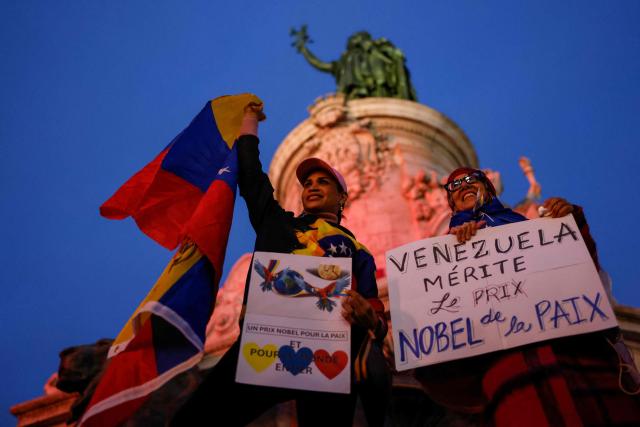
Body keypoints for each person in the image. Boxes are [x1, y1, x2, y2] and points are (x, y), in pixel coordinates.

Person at [171, 104, 389, 426]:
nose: (312, 186)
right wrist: (249, 122)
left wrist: (368, 314)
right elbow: (251, 177)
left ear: (342, 197)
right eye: (308, 183)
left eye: (323, 182)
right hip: (265, 342)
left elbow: (376, 314)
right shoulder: (278, 224)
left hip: (331, 349)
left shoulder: (359, 251)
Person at [416, 167, 640, 426]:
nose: (463, 186)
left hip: (580, 367)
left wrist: (572, 223)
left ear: (488, 187)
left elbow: (585, 271)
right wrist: (454, 252)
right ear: (450, 201)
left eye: (470, 180)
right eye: (454, 186)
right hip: (513, 383)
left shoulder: (534, 229)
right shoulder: (446, 255)